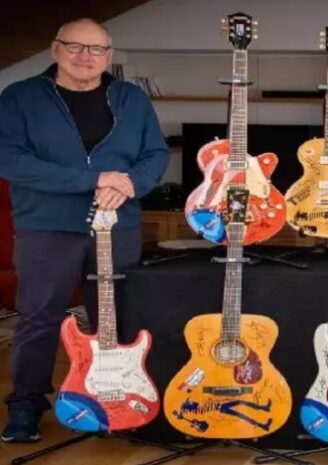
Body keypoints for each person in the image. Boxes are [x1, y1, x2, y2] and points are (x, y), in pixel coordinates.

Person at [0, 18, 169, 442]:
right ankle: (26, 406)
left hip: (118, 226)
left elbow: (155, 153)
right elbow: (10, 159)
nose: (85, 56)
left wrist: (128, 184)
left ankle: (119, 398)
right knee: (39, 318)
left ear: (108, 56)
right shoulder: (20, 97)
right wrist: (93, 180)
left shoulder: (130, 98)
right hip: (47, 226)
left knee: (118, 319)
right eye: (75, 46)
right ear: (55, 49)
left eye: (96, 49)